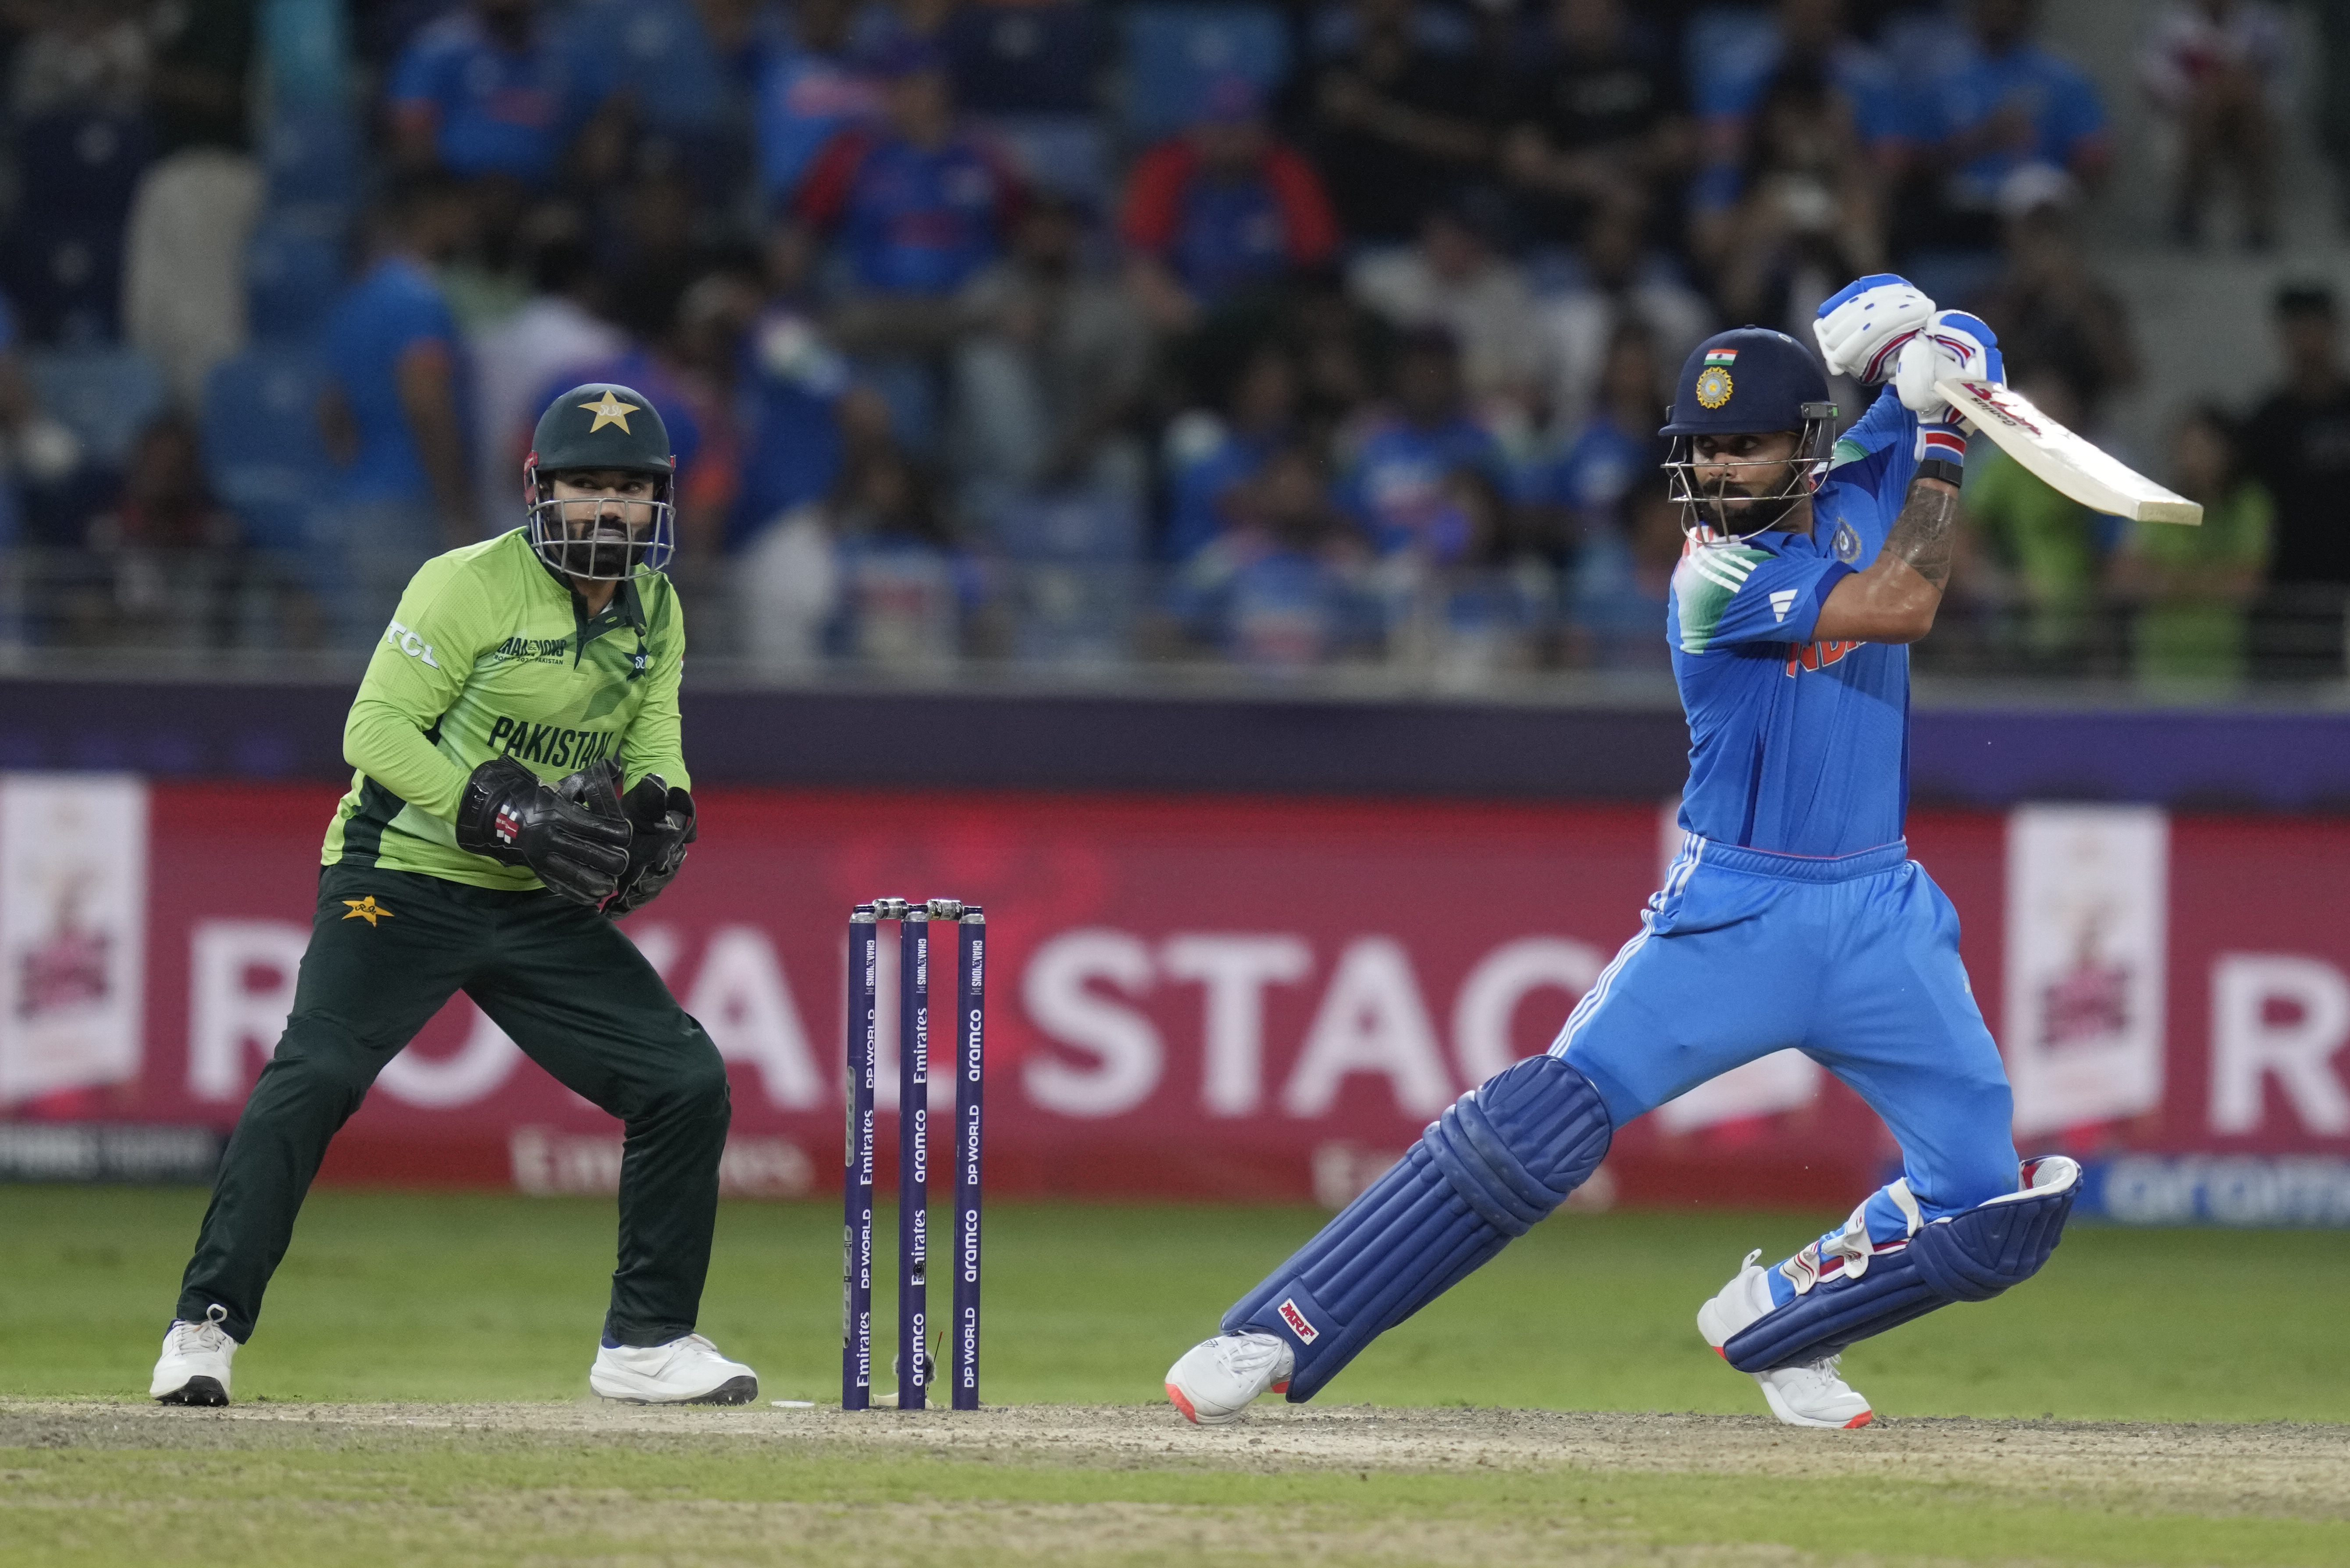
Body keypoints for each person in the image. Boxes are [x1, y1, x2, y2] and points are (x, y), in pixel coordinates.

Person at [1165, 276, 2080, 1429]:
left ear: (1807, 448)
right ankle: (1271, 1332)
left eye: (1744, 448)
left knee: (1991, 1218)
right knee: (1535, 1131)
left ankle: (1783, 1319)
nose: (1717, 472)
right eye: (1702, 450)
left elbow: (1961, 354)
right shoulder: (1716, 576)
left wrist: (1927, 344)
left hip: (1881, 919)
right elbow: (1902, 603)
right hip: (1734, 919)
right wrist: (1944, 431)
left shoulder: (1862, 482)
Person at [149, 381, 754, 1409]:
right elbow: (374, 732)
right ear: (539, 490)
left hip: (531, 897)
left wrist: (667, 808)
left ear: (658, 501)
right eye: (586, 485)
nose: (608, 508)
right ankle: (203, 1327)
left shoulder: (655, 607)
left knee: (684, 1080)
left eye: (629, 488)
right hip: (402, 875)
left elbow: (655, 736)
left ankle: (647, 1344)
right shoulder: (465, 584)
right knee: (319, 1070)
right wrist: (498, 810)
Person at [2113, 403, 2271, 686]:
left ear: (2228, 452)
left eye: (2204, 449)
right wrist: (2216, 579)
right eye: (2186, 449)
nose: (2194, 460)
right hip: (2157, 673)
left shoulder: (2250, 505)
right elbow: (2126, 580)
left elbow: (2248, 585)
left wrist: (2168, 581)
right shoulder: (2152, 503)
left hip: (2225, 674)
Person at [2239, 283, 2350, 678]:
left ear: (2334, 331)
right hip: (2287, 597)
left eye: (2315, 329)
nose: (2307, 343)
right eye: (2296, 331)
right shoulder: (2267, 421)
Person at [2140, 0, 2289, 248]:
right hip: (2190, 114)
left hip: (2249, 115)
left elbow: (2282, 84)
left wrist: (2234, 92)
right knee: (2212, 101)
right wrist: (2205, 94)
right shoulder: (2172, 26)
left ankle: (2195, 210)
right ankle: (2252, 216)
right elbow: (2154, 78)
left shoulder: (2263, 26)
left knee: (2242, 101)